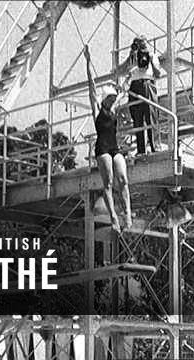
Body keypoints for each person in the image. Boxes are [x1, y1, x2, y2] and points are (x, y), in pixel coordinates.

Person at [84, 45, 132, 232]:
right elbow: (92, 86)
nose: (113, 100)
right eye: (110, 98)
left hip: (114, 147)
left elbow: (124, 91)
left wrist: (129, 76)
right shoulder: (98, 110)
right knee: (109, 183)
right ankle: (113, 217)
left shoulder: (113, 109)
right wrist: (88, 61)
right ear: (104, 99)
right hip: (102, 148)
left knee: (124, 180)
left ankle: (127, 212)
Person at [116, 35, 162, 155]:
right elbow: (119, 71)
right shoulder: (132, 58)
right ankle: (141, 149)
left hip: (147, 83)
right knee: (137, 118)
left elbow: (158, 74)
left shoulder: (152, 55)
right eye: (138, 44)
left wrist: (150, 60)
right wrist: (131, 55)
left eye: (143, 44)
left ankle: (155, 146)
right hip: (135, 85)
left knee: (151, 115)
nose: (141, 47)